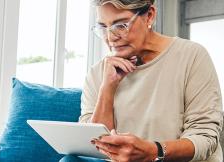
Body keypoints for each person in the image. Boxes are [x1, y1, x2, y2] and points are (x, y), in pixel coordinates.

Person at [60, 0, 223, 161]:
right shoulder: (98, 73)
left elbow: (205, 138)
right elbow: (94, 149)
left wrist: (155, 151)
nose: (110, 38)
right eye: (103, 27)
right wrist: (107, 88)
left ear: (150, 16)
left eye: (121, 25)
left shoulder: (192, 56)